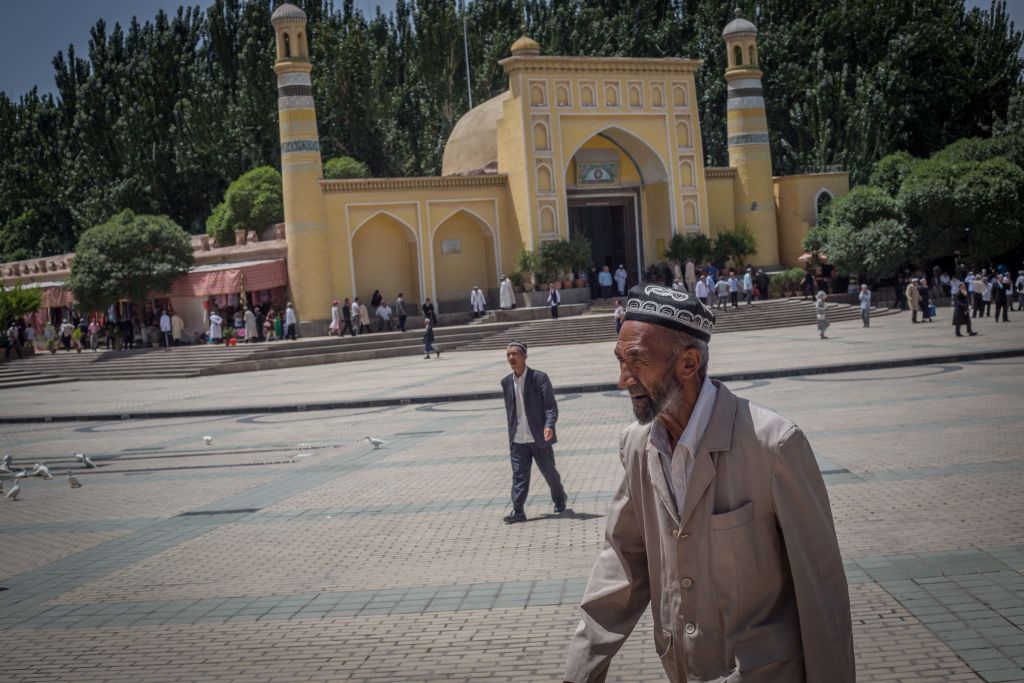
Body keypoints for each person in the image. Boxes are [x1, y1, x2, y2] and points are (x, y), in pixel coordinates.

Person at [563, 284, 853, 683]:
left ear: (688, 363)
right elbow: (623, 563)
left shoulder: (773, 445)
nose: (623, 379)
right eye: (619, 360)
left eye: (636, 360)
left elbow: (822, 593)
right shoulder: (637, 445)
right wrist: (579, 672)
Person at [500, 340, 567, 524]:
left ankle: (560, 498)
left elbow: (550, 407)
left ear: (525, 356)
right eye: (508, 355)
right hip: (518, 440)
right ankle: (518, 510)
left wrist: (549, 425)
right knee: (519, 476)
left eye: (514, 354)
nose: (511, 357)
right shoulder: (506, 382)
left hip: (539, 438)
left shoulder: (539, 378)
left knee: (549, 473)